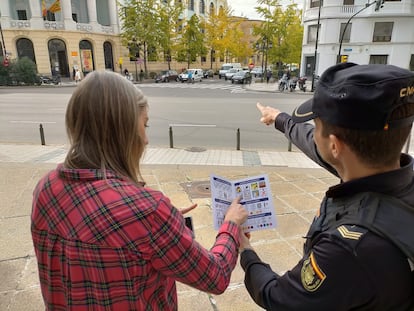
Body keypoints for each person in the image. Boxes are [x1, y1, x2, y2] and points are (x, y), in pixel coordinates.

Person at [31, 70, 248, 310]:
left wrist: (163, 221)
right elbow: (214, 276)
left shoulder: (46, 188)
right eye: (144, 125)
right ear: (122, 132)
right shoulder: (147, 211)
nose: (146, 139)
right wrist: (231, 226)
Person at [240, 63, 414, 310]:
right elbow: (315, 144)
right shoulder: (384, 170)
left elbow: (278, 297)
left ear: (335, 146)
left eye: (317, 124)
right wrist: (279, 119)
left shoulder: (347, 249)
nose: (314, 132)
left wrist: (245, 250)